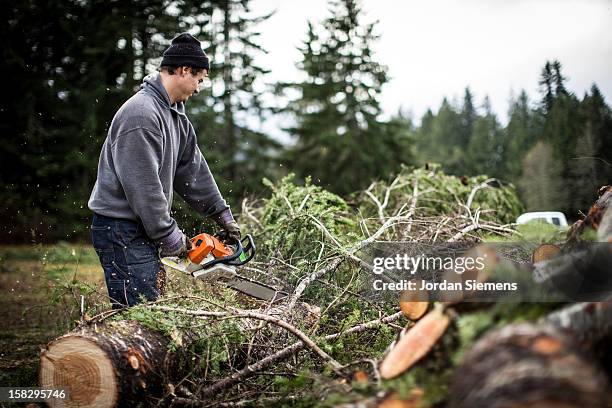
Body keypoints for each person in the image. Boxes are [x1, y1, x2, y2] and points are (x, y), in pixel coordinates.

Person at [88, 33, 240, 309]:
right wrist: (168, 234)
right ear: (184, 71)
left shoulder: (176, 116)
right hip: (120, 227)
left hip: (140, 227)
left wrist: (222, 214)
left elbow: (193, 171)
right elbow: (143, 187)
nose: (198, 88)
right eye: (199, 79)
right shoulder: (141, 115)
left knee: (150, 303)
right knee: (139, 310)